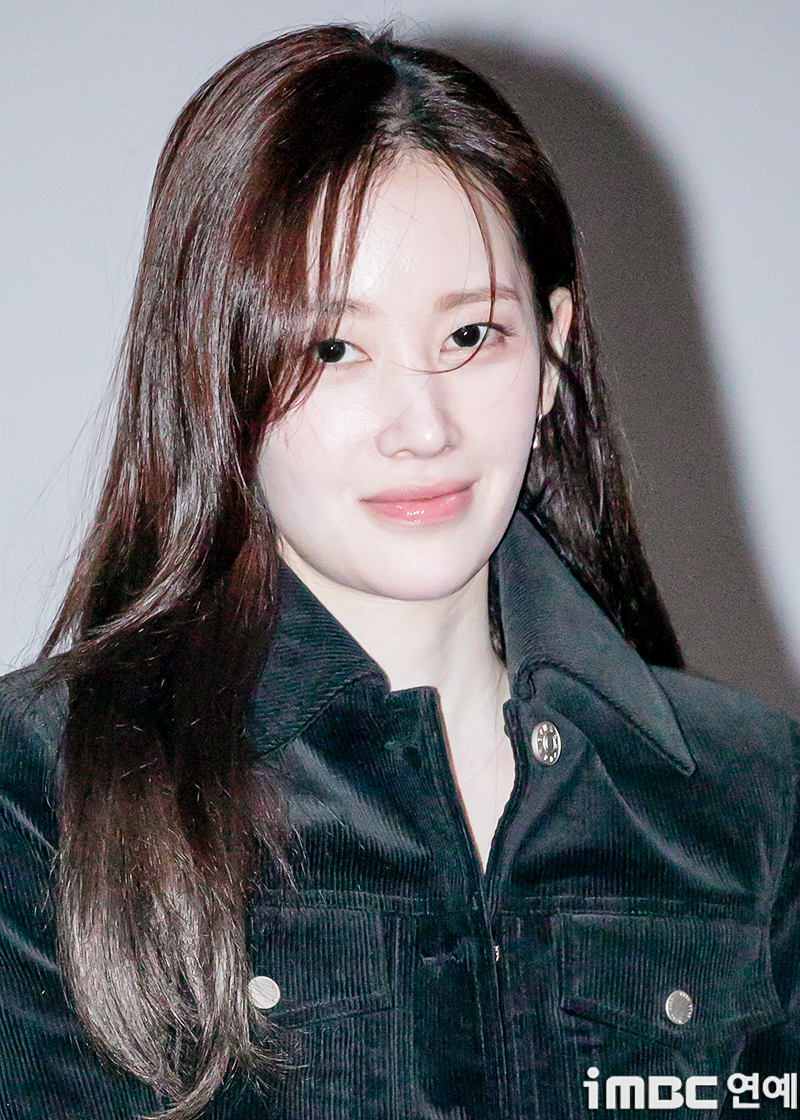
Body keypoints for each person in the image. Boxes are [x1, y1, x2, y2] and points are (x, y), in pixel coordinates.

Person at [0, 23, 797, 1120]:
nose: (422, 427)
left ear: (553, 348)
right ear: (215, 370)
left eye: (471, 336)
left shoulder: (751, 792)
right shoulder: (43, 793)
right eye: (332, 349)